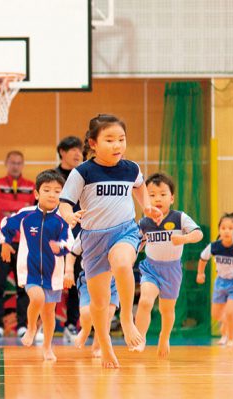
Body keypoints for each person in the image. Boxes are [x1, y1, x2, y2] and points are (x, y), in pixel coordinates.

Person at [59, 114, 162, 368]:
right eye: (109, 140)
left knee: (123, 263)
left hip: (124, 230)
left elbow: (139, 186)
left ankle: (127, 318)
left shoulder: (130, 168)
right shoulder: (82, 172)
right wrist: (70, 215)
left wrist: (146, 205)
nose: (117, 145)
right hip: (93, 239)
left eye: (121, 139)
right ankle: (104, 346)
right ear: (93, 143)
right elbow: (64, 203)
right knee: (99, 302)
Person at [0, 170, 72, 362]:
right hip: (29, 271)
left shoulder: (62, 220)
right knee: (37, 297)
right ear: (37, 193)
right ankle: (31, 327)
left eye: (57, 191)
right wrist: (5, 242)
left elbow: (70, 242)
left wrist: (61, 248)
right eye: (47, 190)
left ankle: (48, 347)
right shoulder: (26, 214)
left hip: (53, 275)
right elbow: (6, 224)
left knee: (49, 314)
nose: (52, 194)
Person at [134, 173, 203, 357]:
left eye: (162, 194)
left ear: (171, 198)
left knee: (167, 309)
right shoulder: (144, 222)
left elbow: (198, 234)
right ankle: (140, 338)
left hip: (172, 270)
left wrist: (184, 238)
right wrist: (135, 247)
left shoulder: (180, 217)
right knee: (145, 301)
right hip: (150, 268)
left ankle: (164, 337)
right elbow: (136, 243)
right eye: (152, 195)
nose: (157, 198)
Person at [0, 150, 36, 338]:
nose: (15, 166)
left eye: (19, 163)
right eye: (12, 162)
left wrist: (15, 208)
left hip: (24, 242)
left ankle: (23, 325)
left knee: (23, 285)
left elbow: (32, 207)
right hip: (1, 240)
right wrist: (22, 207)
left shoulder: (31, 185)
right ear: (6, 163)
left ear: (22, 165)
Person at [66, 236, 119, 358]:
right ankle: (85, 329)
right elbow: (72, 253)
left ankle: (98, 345)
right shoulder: (86, 232)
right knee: (86, 313)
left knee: (108, 314)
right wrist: (68, 271)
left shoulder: (120, 228)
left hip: (112, 278)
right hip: (89, 277)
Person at [55, 136, 85, 342]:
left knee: (74, 280)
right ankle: (41, 324)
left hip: (79, 236)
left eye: (79, 150)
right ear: (62, 153)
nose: (77, 153)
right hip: (55, 235)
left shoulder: (84, 175)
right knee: (50, 280)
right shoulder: (51, 176)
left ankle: (71, 324)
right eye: (72, 150)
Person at [197, 213, 233, 346]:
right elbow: (203, 258)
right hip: (220, 282)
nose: (226, 231)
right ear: (219, 230)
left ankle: (232, 338)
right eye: (223, 228)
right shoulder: (215, 246)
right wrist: (200, 273)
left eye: (230, 228)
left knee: (231, 311)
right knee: (216, 314)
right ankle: (225, 330)